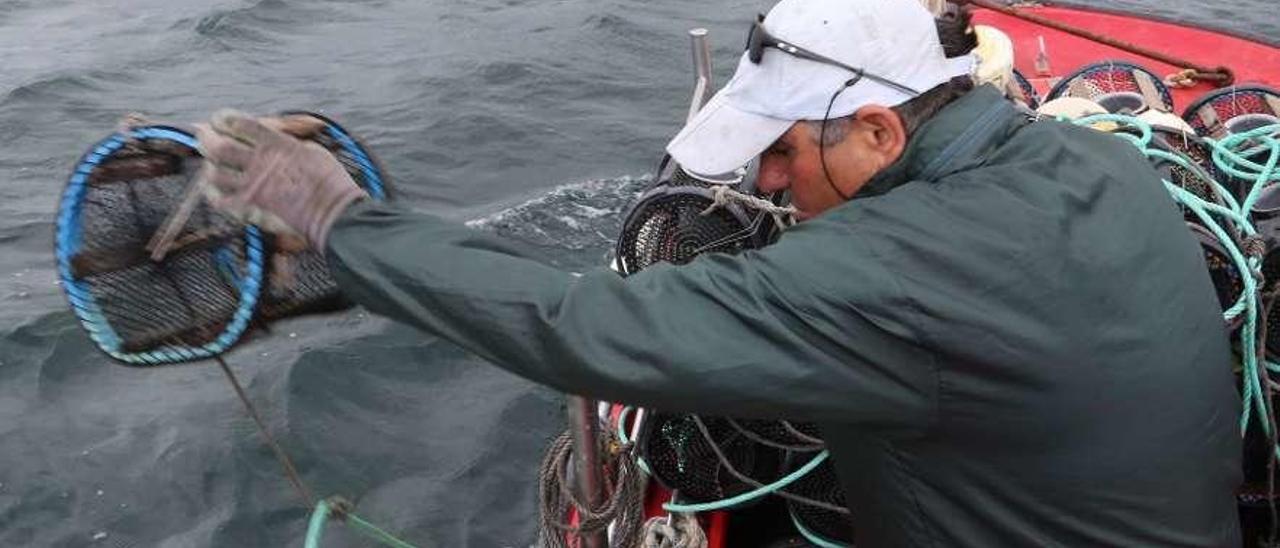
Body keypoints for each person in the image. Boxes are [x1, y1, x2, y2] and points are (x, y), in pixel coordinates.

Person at [193, 0, 1242, 545]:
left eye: (781, 151)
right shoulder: (1093, 155)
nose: (770, 183)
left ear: (877, 127)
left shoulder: (886, 270)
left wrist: (338, 221)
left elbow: (578, 324)